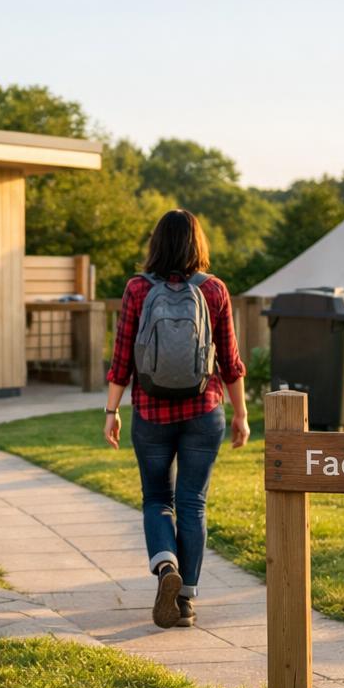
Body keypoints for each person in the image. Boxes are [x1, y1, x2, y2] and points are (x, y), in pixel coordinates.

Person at [104, 208, 249, 629]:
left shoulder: (135, 289)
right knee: (192, 503)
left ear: (156, 243)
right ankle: (185, 601)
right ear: (197, 244)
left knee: (156, 499)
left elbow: (120, 360)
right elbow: (231, 362)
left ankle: (166, 568)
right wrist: (240, 414)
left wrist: (111, 411)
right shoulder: (215, 290)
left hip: (150, 414)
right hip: (204, 412)